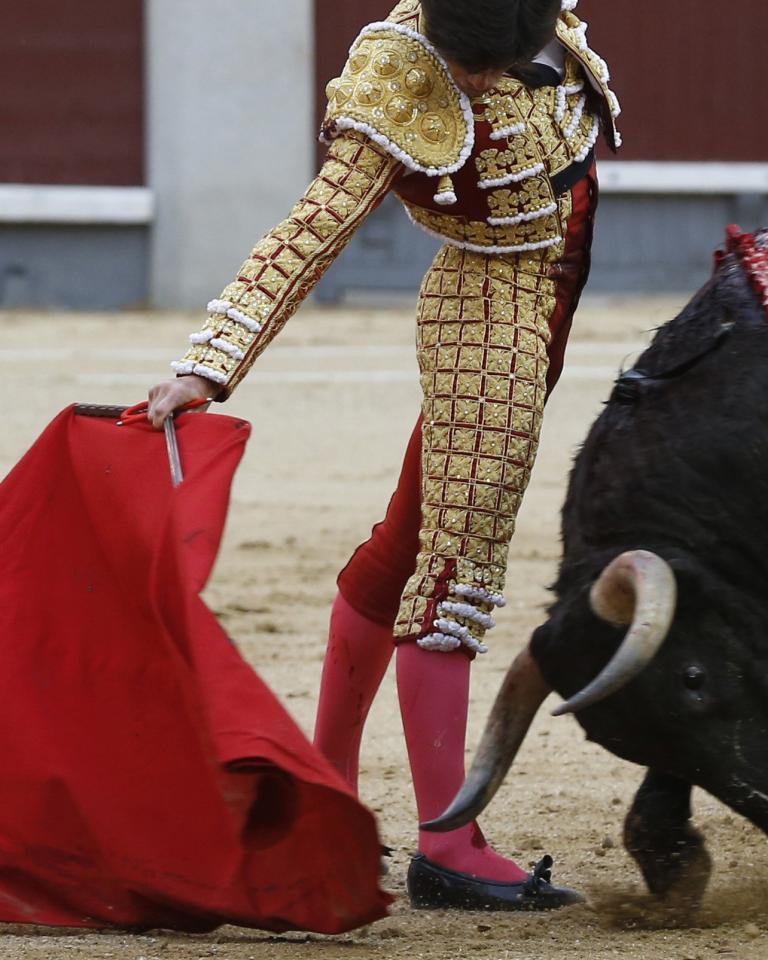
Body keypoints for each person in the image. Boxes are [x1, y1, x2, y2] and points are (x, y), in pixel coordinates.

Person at [146, 0, 620, 911]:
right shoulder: (402, 69)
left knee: (406, 545)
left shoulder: (523, 11)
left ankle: (330, 786)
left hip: (542, 309)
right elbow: (314, 227)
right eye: (467, 61)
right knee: (456, 568)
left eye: (493, 61)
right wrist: (209, 366)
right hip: (489, 319)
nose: (477, 79)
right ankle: (446, 840)